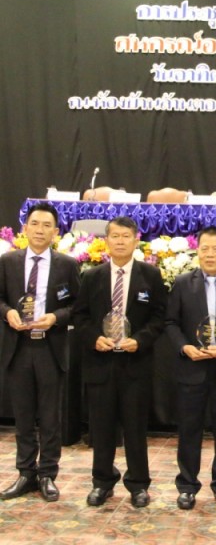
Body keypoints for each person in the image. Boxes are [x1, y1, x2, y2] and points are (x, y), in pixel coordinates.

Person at [72, 216, 166, 508]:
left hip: (135, 363)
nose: (121, 241)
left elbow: (159, 317)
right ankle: (102, 482)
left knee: (136, 428)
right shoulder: (92, 276)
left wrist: (140, 340)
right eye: (115, 236)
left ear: (136, 240)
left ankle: (138, 484)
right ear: (107, 240)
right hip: (100, 364)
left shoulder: (150, 275)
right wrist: (93, 338)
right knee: (101, 429)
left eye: (126, 236)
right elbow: (80, 316)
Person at [0, 203, 80, 502]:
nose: (40, 230)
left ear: (56, 232)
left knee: (49, 417)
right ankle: (25, 472)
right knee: (22, 416)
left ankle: (47, 473)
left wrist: (56, 317)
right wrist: (7, 312)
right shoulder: (7, 262)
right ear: (25, 228)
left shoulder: (66, 265)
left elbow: (78, 306)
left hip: (50, 346)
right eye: (34, 223)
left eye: (47, 225)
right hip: (18, 347)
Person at [165, 226, 216, 511]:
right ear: (197, 251)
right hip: (192, 368)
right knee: (189, 430)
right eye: (205, 249)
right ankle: (187, 486)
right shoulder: (182, 283)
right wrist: (184, 347)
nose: (210, 254)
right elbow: (170, 323)